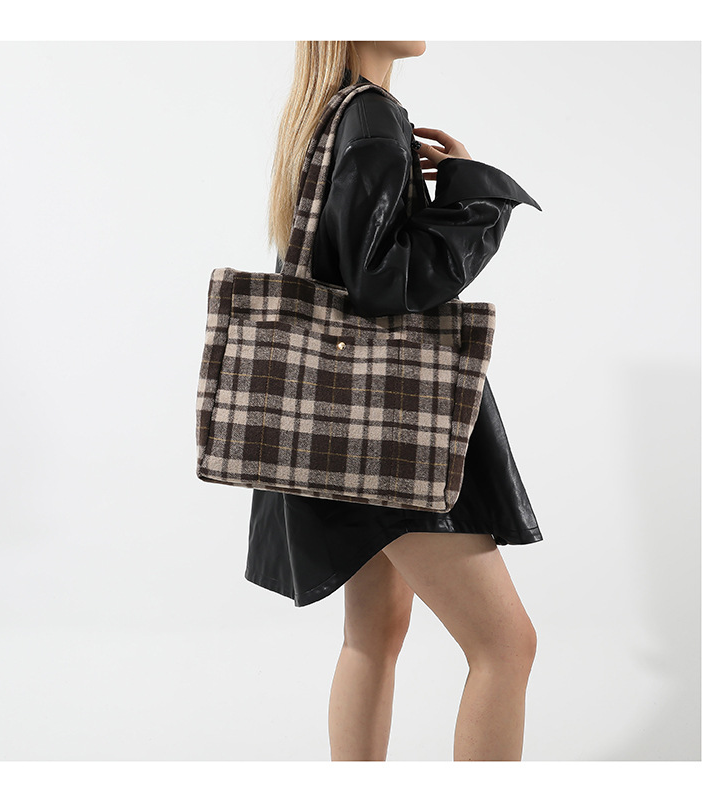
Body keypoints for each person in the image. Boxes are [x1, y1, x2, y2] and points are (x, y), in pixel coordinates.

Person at [247, 41, 544, 761]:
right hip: (391, 433)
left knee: (372, 638)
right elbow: (383, 282)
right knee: (505, 646)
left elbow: (352, 270)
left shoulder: (327, 111)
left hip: (329, 424)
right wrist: (475, 199)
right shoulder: (373, 117)